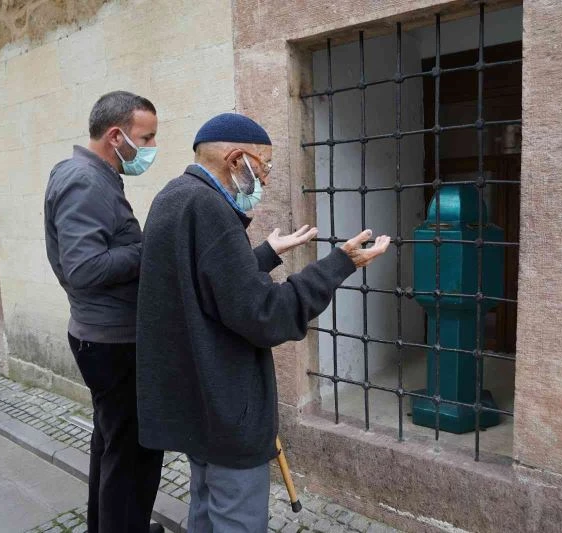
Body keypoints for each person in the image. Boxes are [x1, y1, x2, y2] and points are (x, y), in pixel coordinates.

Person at [136, 113, 390, 533]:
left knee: (205, 508)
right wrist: (339, 264)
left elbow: (204, 285)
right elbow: (265, 315)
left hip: (194, 405)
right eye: (265, 165)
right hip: (224, 408)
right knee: (234, 518)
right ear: (237, 159)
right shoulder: (210, 208)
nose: (266, 179)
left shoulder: (173, 196)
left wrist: (266, 253)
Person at [44, 91, 164, 533]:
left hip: (103, 333)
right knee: (134, 451)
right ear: (116, 136)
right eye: (146, 138)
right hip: (112, 340)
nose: (150, 148)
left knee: (112, 443)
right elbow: (83, 267)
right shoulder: (86, 180)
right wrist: (146, 248)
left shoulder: (86, 173)